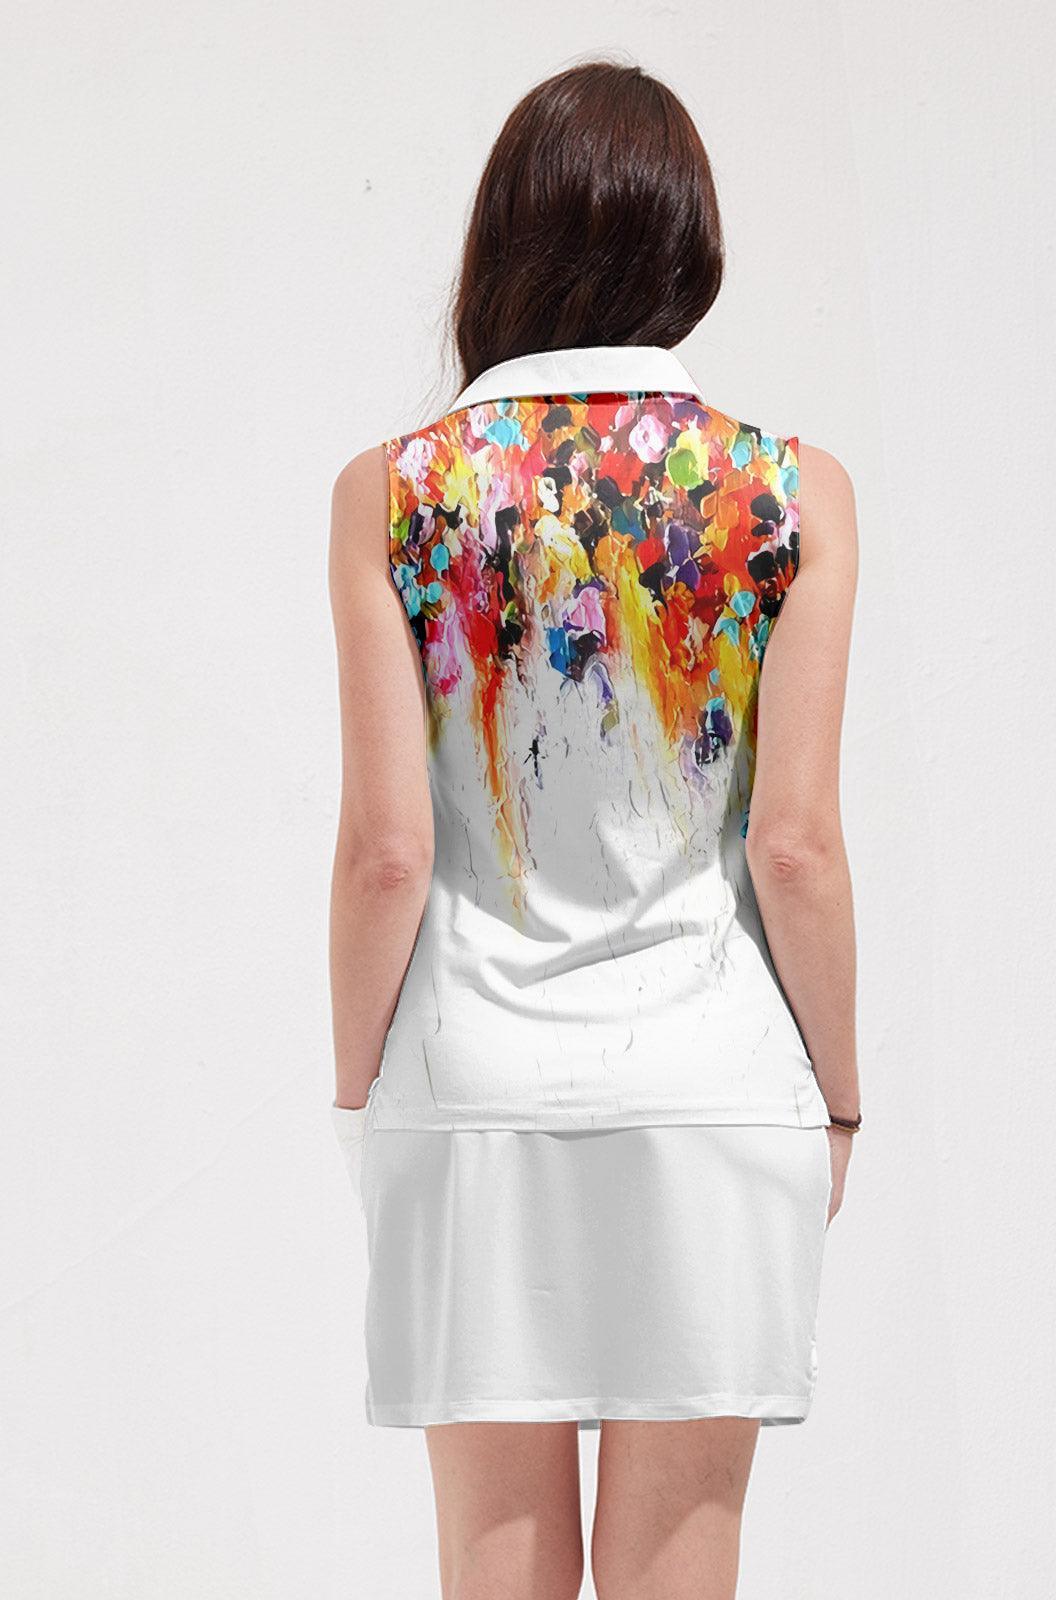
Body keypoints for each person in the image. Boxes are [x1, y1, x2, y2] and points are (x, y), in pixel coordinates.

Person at [326, 58, 861, 1600]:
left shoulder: (395, 495)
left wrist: (358, 1095)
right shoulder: (791, 494)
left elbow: (385, 854)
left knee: (494, 1568)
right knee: (680, 1568)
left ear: (502, 235)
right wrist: (839, 1102)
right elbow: (796, 845)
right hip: (716, 1086)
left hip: (473, 1089)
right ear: (689, 244)